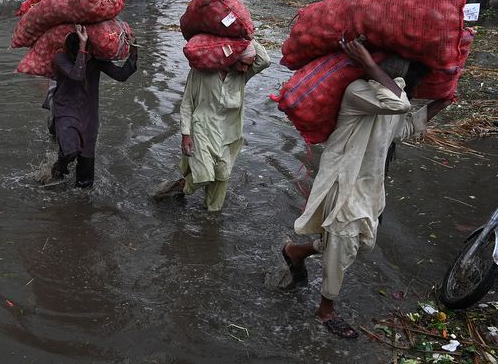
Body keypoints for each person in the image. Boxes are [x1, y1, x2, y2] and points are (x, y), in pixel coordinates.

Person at [281, 39, 452, 339]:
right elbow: (399, 103)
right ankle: (325, 311)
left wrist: (442, 102)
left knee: (353, 243)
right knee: (344, 241)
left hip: (369, 185)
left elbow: (405, 126)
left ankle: (295, 251)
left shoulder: (387, 99)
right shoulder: (358, 92)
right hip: (344, 181)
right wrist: (369, 65)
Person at [154, 37, 271, 211]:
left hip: (230, 131)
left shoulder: (242, 75)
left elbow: (265, 61)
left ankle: (212, 216)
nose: (246, 68)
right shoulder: (202, 71)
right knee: (204, 175)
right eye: (243, 64)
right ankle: (177, 188)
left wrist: (247, 36)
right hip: (202, 127)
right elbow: (187, 102)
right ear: (231, 59)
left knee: (221, 176)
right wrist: (186, 134)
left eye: (249, 65)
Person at [50, 25, 138, 188]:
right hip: (66, 110)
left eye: (87, 49)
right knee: (70, 151)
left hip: (89, 115)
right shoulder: (60, 58)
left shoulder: (96, 59)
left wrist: (133, 49)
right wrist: (83, 46)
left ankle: (82, 209)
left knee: (85, 178)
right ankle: (58, 167)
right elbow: (77, 75)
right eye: (81, 50)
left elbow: (121, 75)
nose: (85, 54)